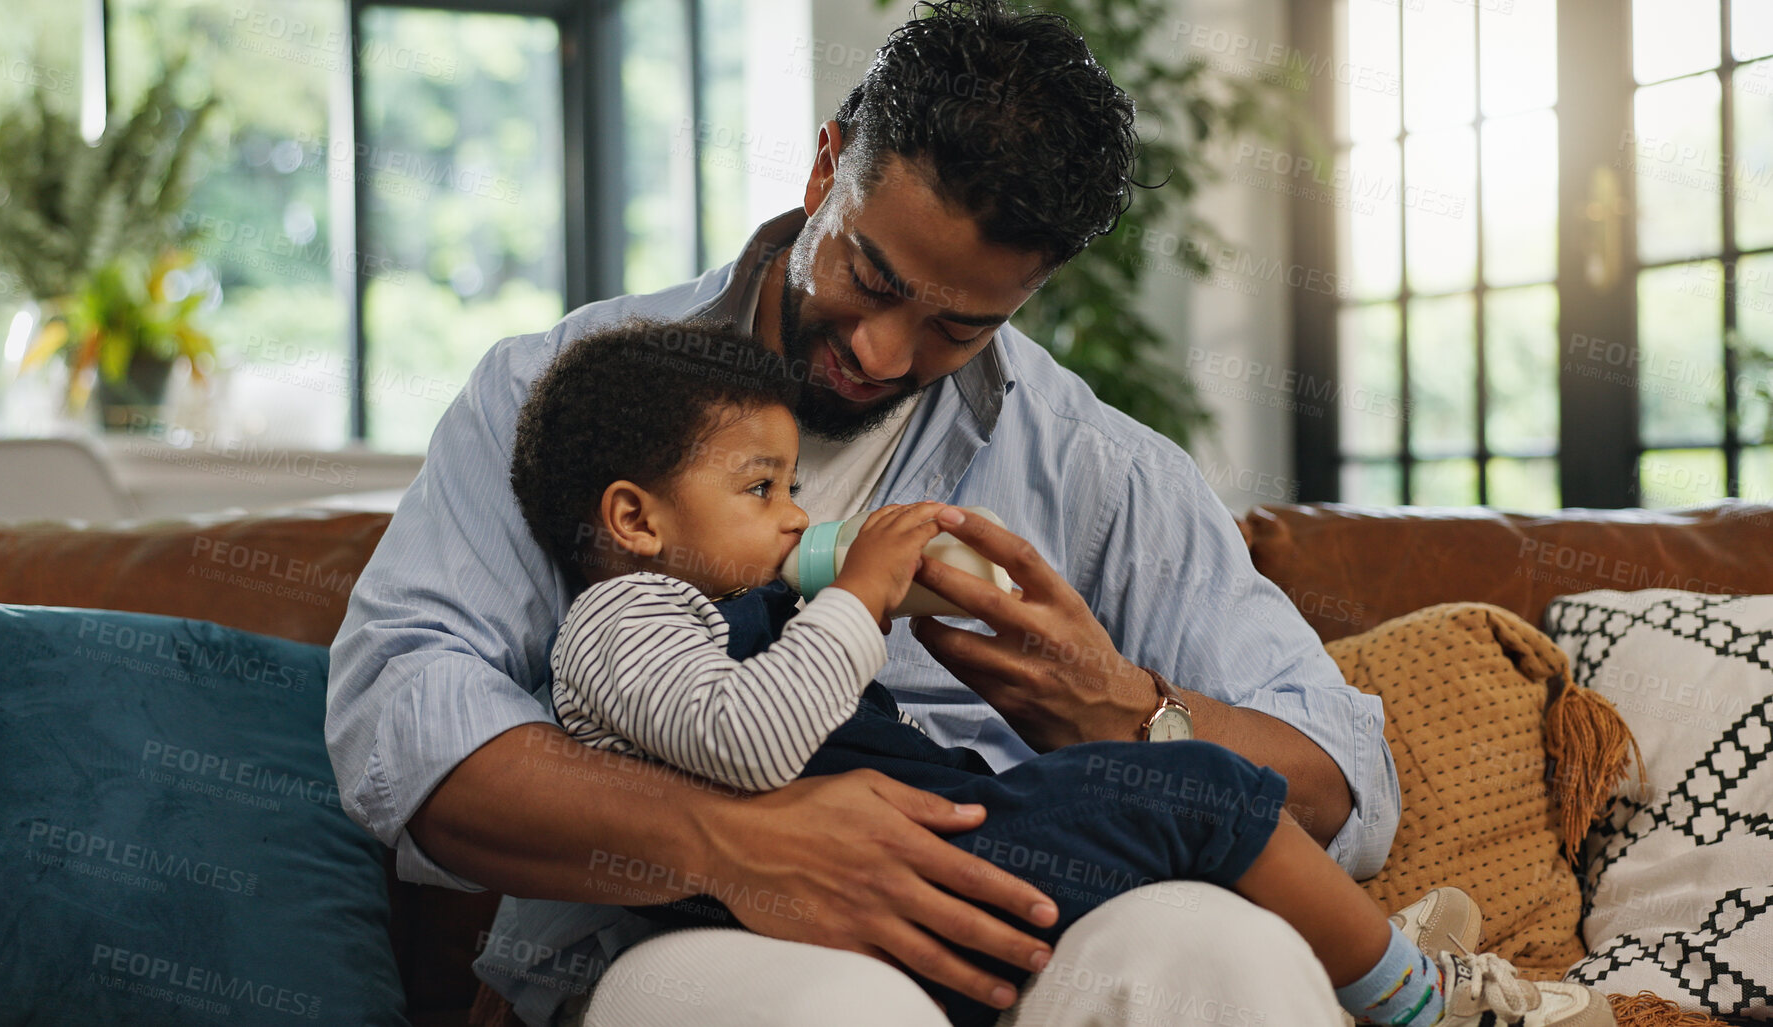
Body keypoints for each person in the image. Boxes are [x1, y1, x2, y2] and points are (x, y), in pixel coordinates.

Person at [331, 1, 1406, 1024]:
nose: (883, 353)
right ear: (824, 166)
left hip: (1027, 918)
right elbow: (401, 721)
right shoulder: (555, 395)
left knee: (1228, 956)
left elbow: (1347, 783)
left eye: (959, 326)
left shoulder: (1103, 471)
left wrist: (1130, 712)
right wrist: (733, 840)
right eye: (872, 274)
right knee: (852, 1009)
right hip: (672, 936)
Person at [500, 316, 1614, 1027]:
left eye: (796, 486)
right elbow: (749, 738)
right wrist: (855, 600)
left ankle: (1384, 964)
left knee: (1198, 794)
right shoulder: (621, 619)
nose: (798, 516)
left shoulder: (1100, 464)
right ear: (634, 520)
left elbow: (1348, 775)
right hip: (862, 891)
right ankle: (1417, 995)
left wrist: (1104, 688)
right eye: (763, 493)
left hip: (948, 854)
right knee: (1198, 795)